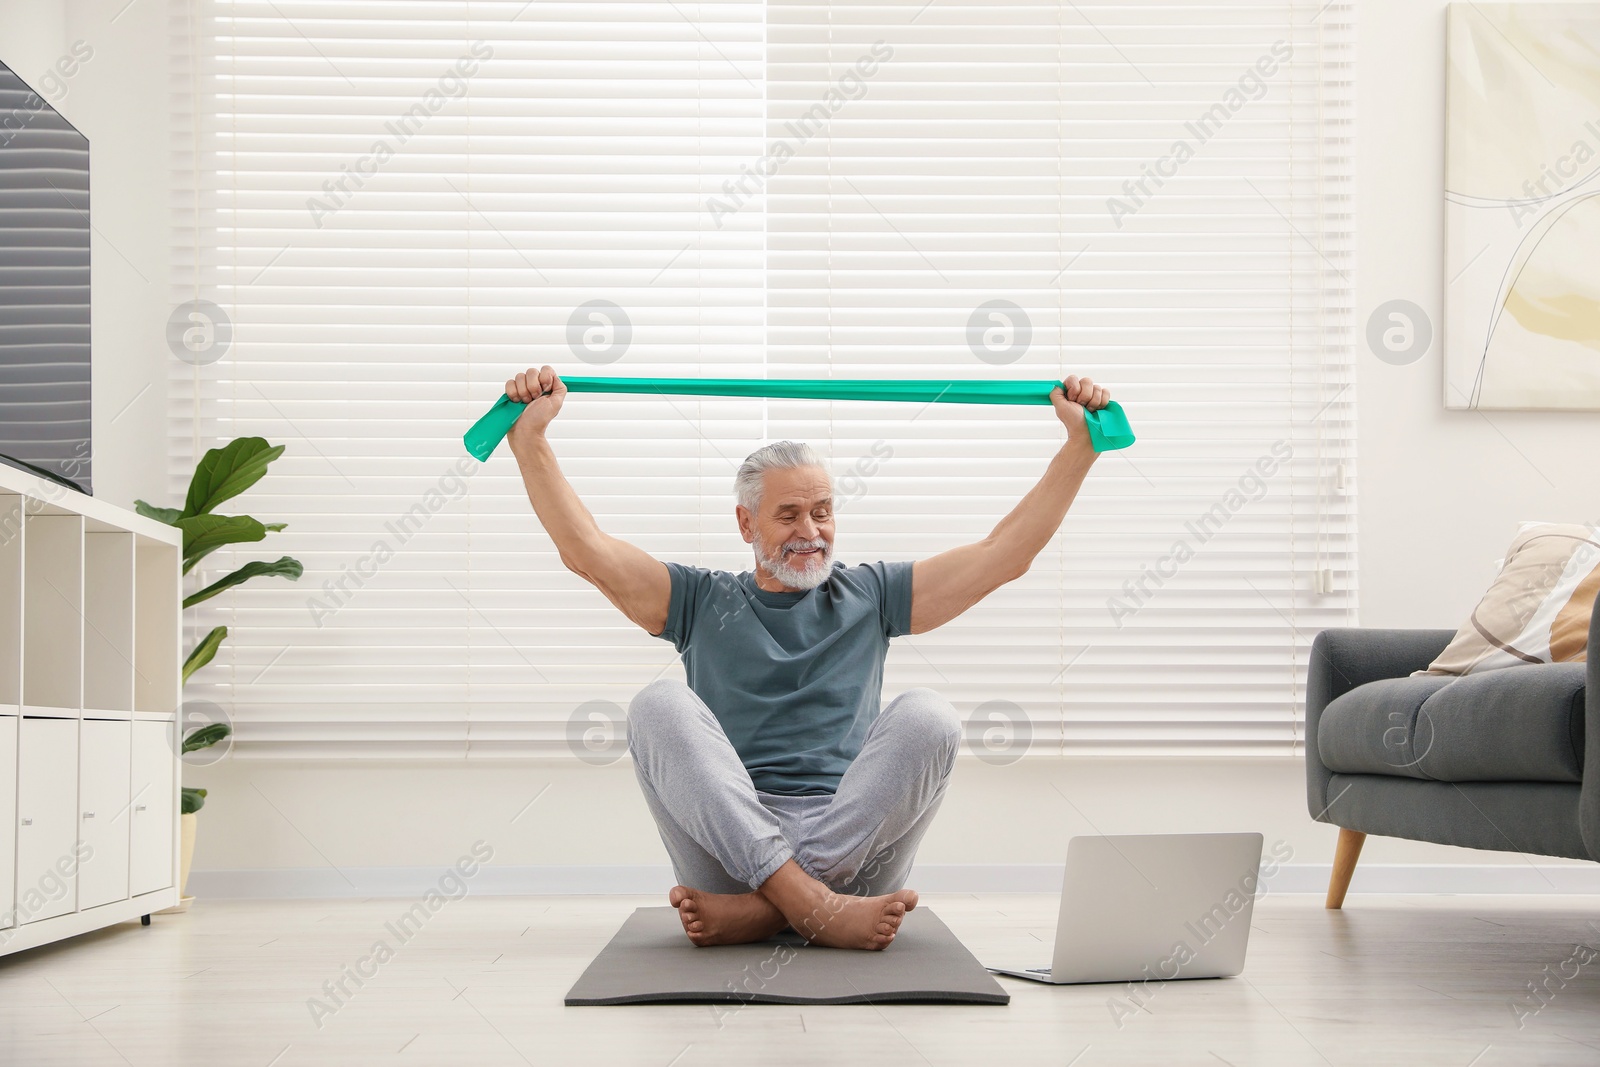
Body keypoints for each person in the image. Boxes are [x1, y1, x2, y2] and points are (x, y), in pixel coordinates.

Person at [503, 366, 1111, 950]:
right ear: (746, 524)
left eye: (822, 511)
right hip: (729, 852)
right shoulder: (698, 601)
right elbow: (587, 550)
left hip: (854, 850)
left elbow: (1002, 554)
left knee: (930, 714)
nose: (811, 530)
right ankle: (807, 904)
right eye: (788, 514)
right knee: (656, 704)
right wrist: (529, 441)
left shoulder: (872, 595)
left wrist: (1078, 449)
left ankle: (772, 909)